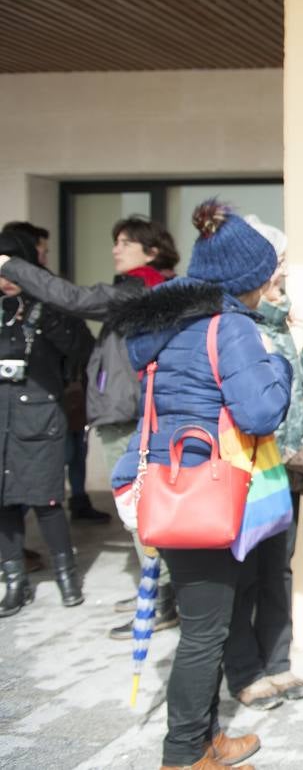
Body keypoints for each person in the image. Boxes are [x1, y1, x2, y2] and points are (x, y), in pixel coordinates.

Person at [108, 200, 292, 770]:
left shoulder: (166, 323)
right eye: (265, 277)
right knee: (203, 633)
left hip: (167, 484)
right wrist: (280, 365)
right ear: (246, 281)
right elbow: (261, 412)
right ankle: (185, 755)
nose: (268, 286)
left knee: (203, 623)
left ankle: (207, 738)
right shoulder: (230, 325)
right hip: (205, 492)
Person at [0, 215, 182, 637]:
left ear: (151, 251)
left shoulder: (140, 288)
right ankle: (155, 591)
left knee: (141, 513)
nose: (116, 249)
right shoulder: (151, 286)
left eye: (125, 242)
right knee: (142, 512)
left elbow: (74, 299)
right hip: (129, 412)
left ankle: (164, 600)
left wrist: (10, 265)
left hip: (129, 416)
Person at [221, 217, 303, 710]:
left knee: (278, 569)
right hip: (241, 468)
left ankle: (278, 663)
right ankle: (244, 671)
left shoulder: (279, 316)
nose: (282, 269)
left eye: (282, 259)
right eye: (276, 260)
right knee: (241, 574)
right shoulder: (233, 325)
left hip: (283, 464)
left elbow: (290, 389)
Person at [0, 230, 94, 617]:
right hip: (1, 416)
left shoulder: (49, 303)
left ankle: (66, 574)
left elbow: (82, 349)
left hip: (40, 414)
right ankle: (14, 582)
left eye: (9, 266)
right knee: (3, 500)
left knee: (47, 498)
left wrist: (47, 318)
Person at [4, 219, 106, 524]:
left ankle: (78, 502)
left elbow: (81, 344)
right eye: (40, 250)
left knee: (65, 460)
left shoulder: (50, 294)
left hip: (54, 397)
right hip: (16, 409)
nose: (43, 259)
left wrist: (43, 317)